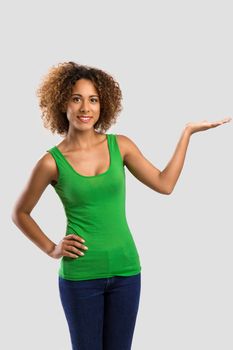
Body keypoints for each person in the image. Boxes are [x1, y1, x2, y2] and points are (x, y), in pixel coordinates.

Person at [11, 61, 231, 350]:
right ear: (62, 102)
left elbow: (165, 184)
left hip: (127, 272)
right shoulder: (51, 162)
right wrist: (52, 248)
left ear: (103, 105)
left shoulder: (121, 145)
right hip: (81, 277)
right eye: (76, 98)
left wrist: (187, 132)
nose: (85, 108)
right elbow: (20, 213)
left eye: (93, 99)